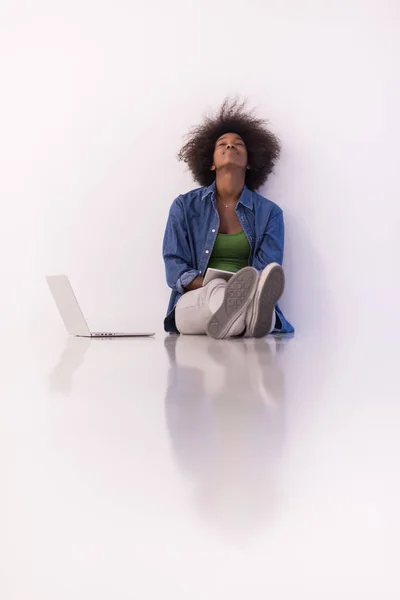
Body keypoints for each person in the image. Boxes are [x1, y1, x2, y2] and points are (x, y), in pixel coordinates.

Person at [163, 99, 294, 339]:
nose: (230, 146)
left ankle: (242, 319)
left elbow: (266, 272)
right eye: (222, 144)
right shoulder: (184, 207)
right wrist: (218, 285)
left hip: (250, 294)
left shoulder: (270, 213)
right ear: (211, 162)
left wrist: (246, 290)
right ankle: (251, 320)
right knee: (218, 291)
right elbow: (174, 268)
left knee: (248, 300)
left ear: (250, 161)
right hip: (198, 299)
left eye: (238, 145)